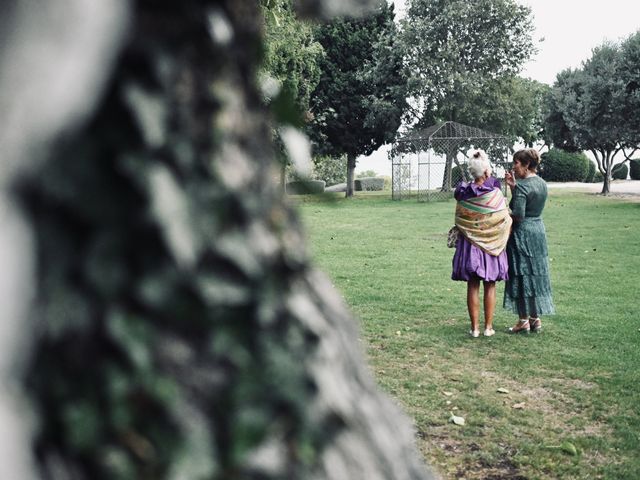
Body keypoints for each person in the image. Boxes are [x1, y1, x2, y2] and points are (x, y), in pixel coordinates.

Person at [452, 150, 512, 337]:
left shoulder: (462, 192)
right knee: (490, 284)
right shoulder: (494, 192)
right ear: (486, 171)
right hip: (492, 244)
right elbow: (503, 217)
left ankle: (474, 329)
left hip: (470, 244)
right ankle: (488, 327)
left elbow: (461, 215)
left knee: (472, 285)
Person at [504, 148, 555, 333]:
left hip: (522, 234)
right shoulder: (542, 183)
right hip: (538, 231)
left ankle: (523, 320)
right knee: (534, 275)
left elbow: (518, 214)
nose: (513, 167)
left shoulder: (524, 186)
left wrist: (501, 214)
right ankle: (535, 319)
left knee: (521, 275)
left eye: (516, 163)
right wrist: (512, 187)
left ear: (526, 165)